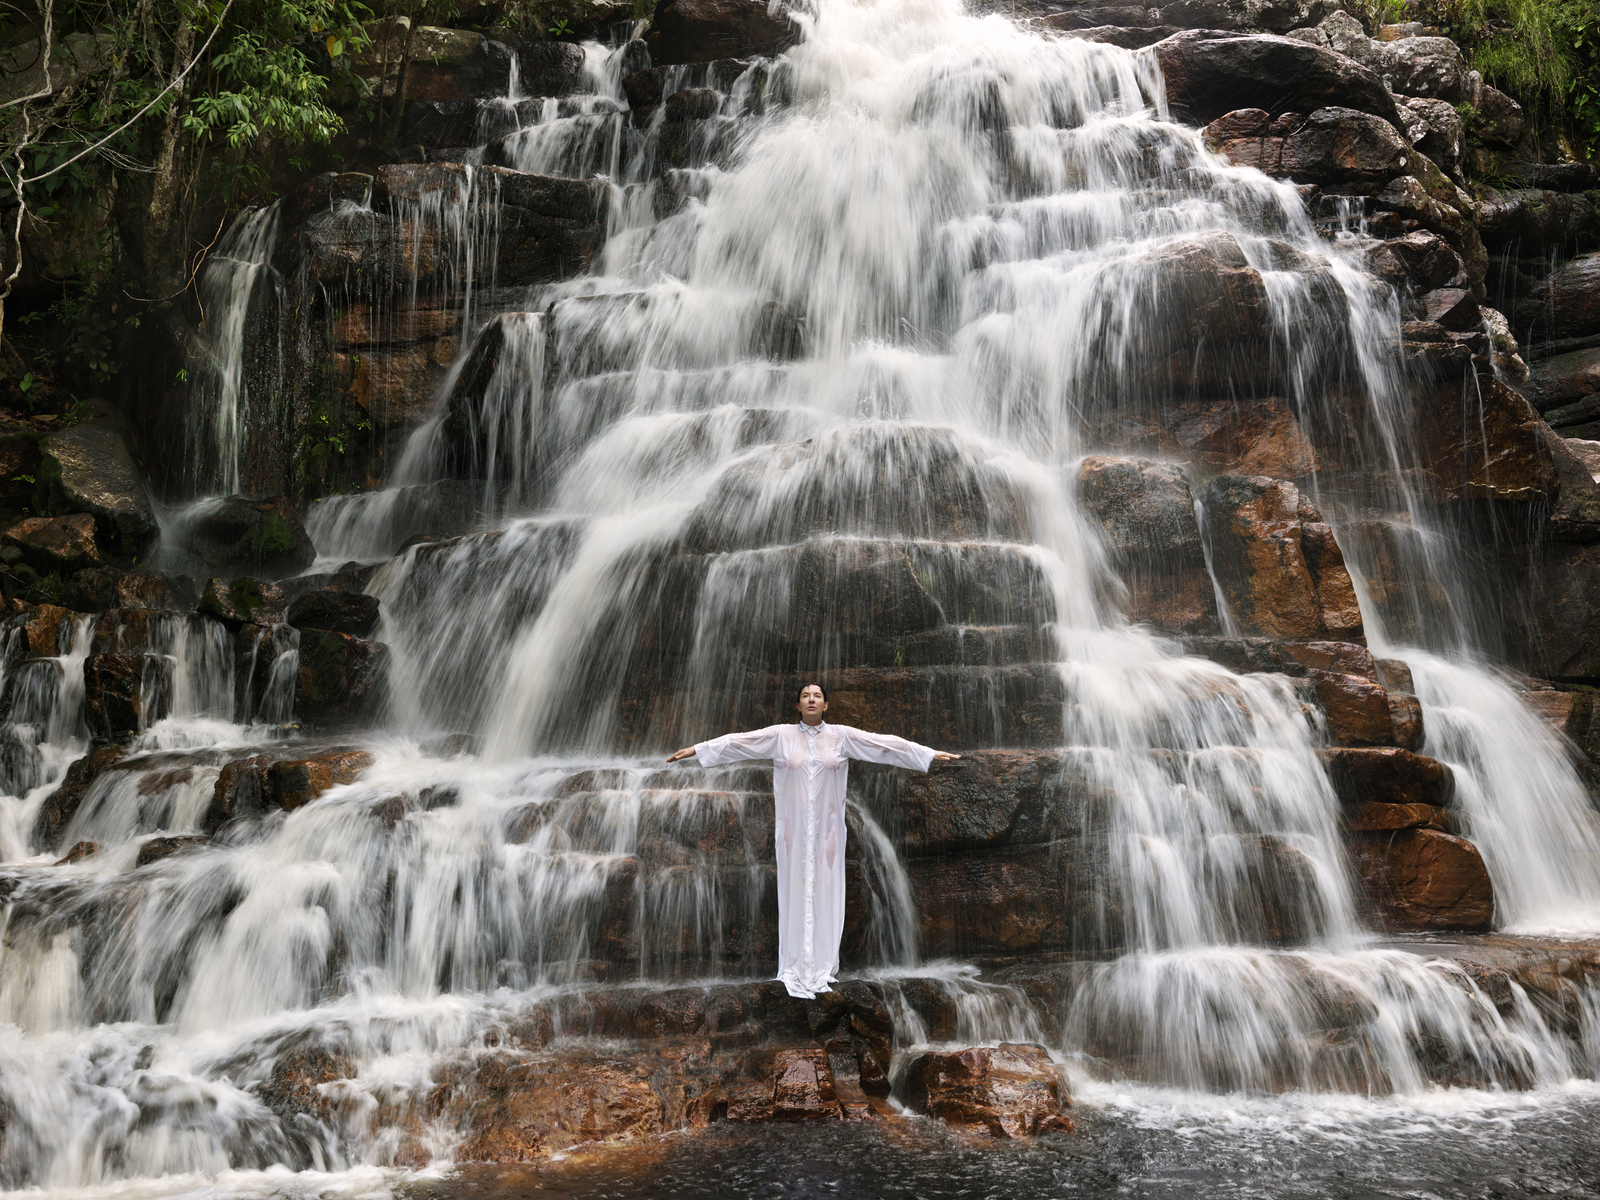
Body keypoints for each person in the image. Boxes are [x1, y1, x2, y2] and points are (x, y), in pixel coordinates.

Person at [668, 683, 960, 999]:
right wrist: (698, 750)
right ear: (798, 705)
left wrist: (926, 753)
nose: (811, 699)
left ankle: (822, 967)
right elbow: (740, 742)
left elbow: (882, 745)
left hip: (828, 832)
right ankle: (793, 967)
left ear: (826, 705)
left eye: (817, 696)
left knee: (828, 890)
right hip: (793, 832)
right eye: (806, 696)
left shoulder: (841, 736)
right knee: (793, 892)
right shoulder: (781, 736)